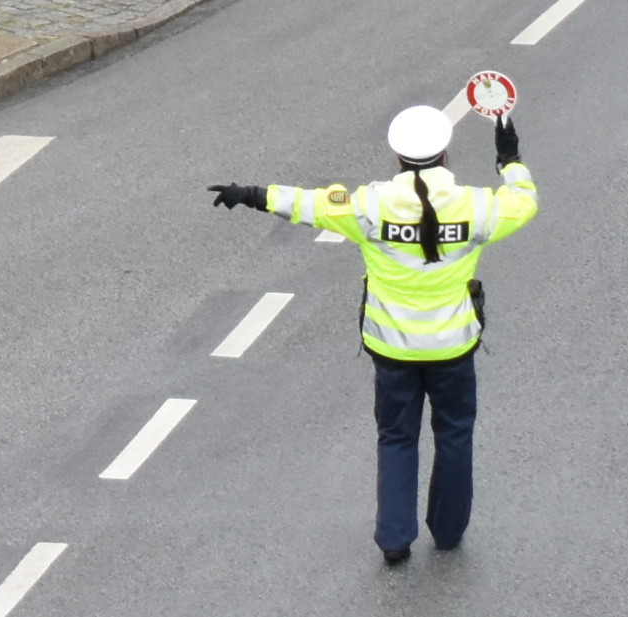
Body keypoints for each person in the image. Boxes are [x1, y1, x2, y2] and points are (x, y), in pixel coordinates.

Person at [207, 105, 538, 563]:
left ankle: (394, 539)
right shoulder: (477, 206)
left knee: (397, 437)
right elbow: (523, 202)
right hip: (454, 350)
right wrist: (510, 158)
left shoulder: (370, 205)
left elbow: (310, 204)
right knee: (455, 434)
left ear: (397, 157)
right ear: (444, 153)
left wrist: (251, 194)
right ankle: (447, 531)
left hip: (392, 349)